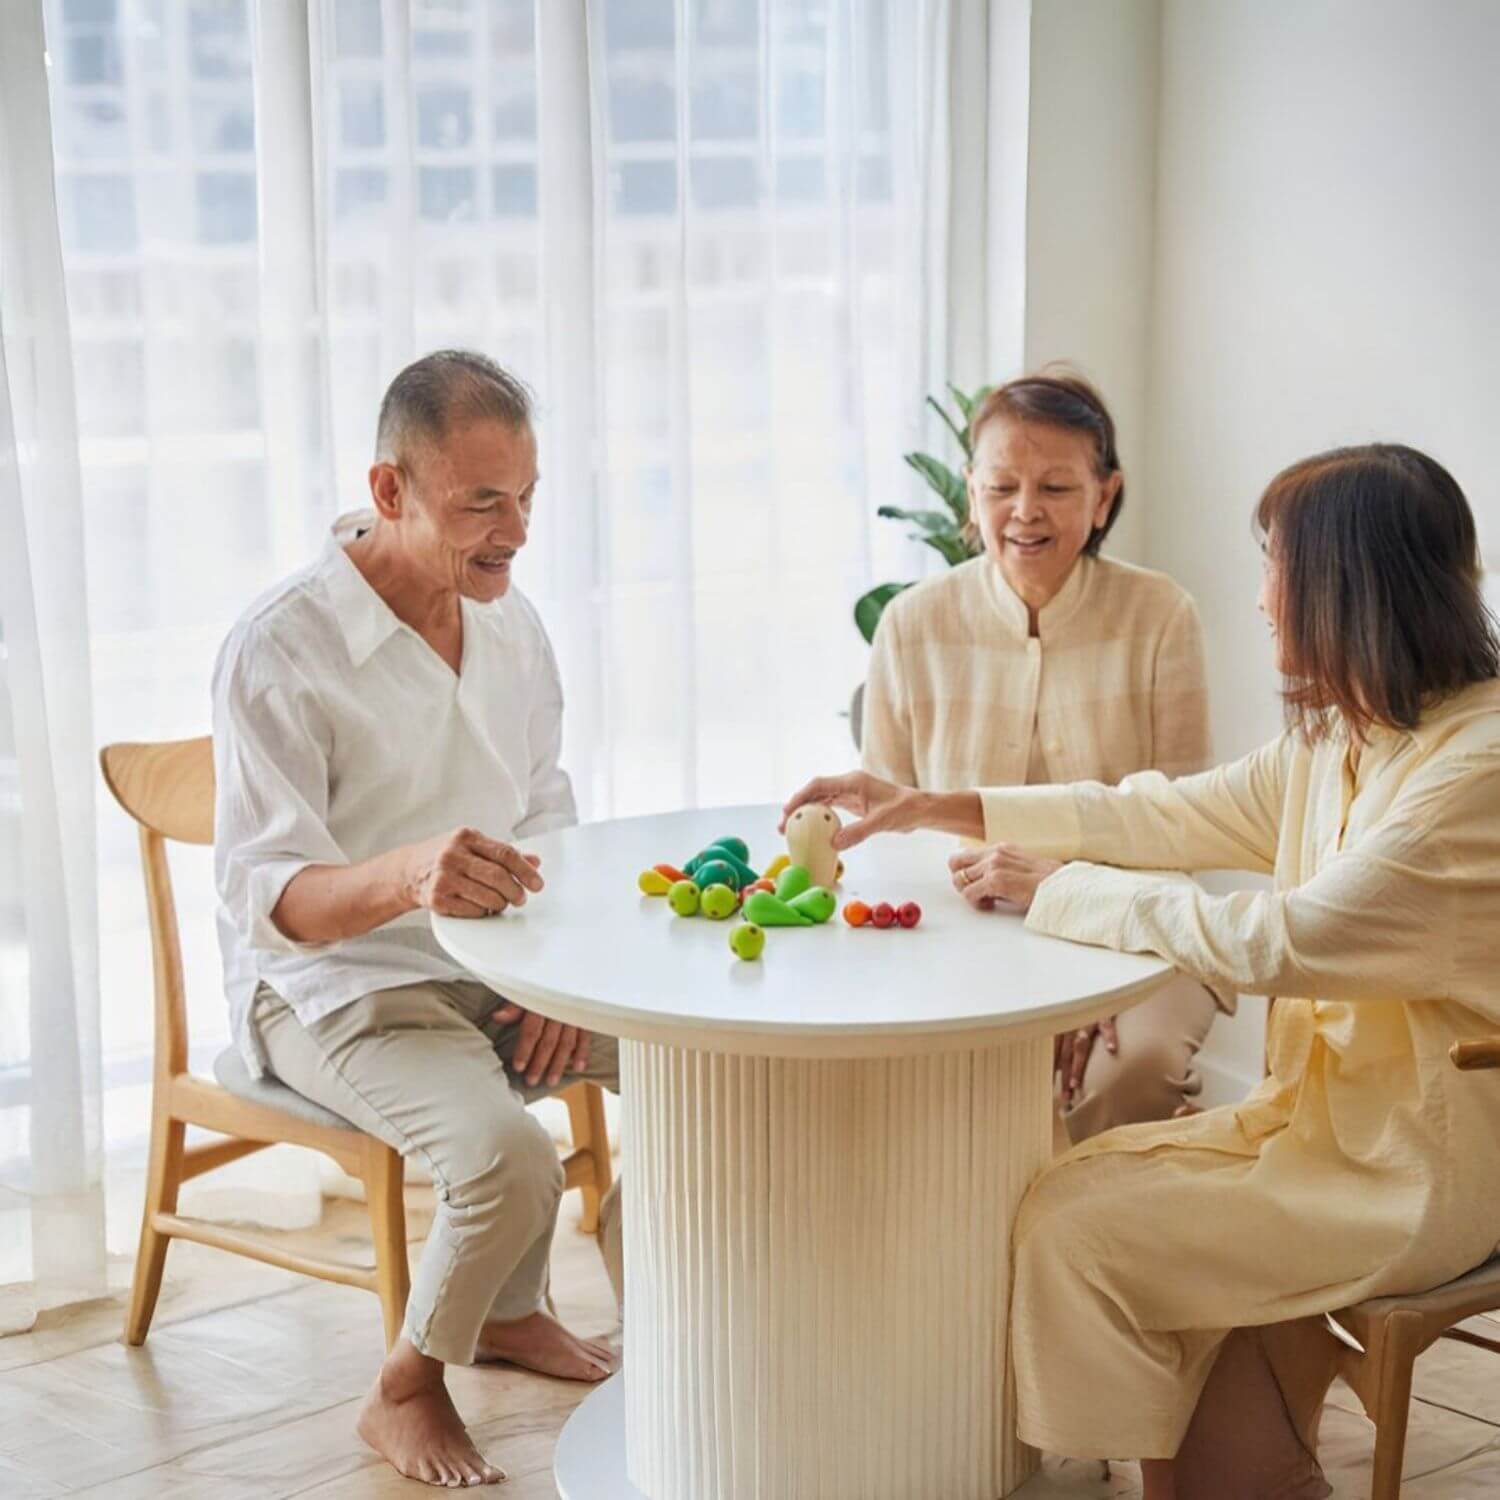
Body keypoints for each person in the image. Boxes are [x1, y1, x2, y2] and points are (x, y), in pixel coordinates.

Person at [785, 443, 1500, 1498]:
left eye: (1274, 567)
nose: (1262, 601)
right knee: (1065, 1185)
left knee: (1079, 1234)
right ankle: (1229, 1471)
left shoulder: (1474, 765)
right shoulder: (1345, 735)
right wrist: (926, 803)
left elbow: (1285, 941)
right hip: (1316, 1133)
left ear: (1346, 586)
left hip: (1417, 1169)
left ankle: (1129, 1478)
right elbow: (1156, 810)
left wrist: (1059, 888)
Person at [213, 350, 619, 1489]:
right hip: (331, 985)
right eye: (481, 503)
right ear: (389, 492)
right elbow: (270, 898)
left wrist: (547, 979)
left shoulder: (512, 622)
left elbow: (548, 809)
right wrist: (408, 880)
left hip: (497, 965)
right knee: (507, 1155)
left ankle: (534, 1317)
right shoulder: (281, 648)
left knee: (707, 1061)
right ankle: (403, 1389)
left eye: (528, 497)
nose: (516, 531)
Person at [862, 371, 1226, 1141]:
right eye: (1001, 486)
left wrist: (1085, 986)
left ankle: (1105, 1252)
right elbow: (893, 836)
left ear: (1104, 496)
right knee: (937, 1096)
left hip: (1136, 925)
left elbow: (1187, 828)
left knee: (1137, 1068)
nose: (1025, 511)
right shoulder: (910, 624)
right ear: (971, 493)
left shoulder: (1160, 616)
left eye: (1057, 486)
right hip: (957, 933)